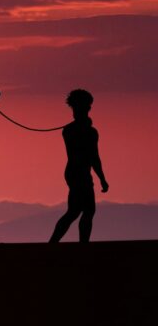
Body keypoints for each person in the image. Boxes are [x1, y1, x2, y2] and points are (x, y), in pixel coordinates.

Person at [49, 89, 109, 243]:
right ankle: (81, 245)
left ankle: (55, 243)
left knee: (75, 211)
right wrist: (102, 178)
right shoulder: (85, 131)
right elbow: (93, 156)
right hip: (79, 172)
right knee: (86, 210)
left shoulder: (70, 130)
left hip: (74, 172)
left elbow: (92, 156)